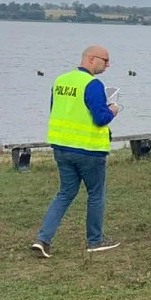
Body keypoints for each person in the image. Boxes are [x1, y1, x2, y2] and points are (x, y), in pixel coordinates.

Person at [33, 45, 121, 258]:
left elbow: (56, 110)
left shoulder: (60, 81)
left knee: (65, 193)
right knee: (96, 194)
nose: (108, 65)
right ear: (91, 59)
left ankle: (43, 239)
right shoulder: (93, 84)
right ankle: (95, 240)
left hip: (62, 147)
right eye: (105, 60)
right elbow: (100, 118)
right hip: (89, 149)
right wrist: (112, 110)